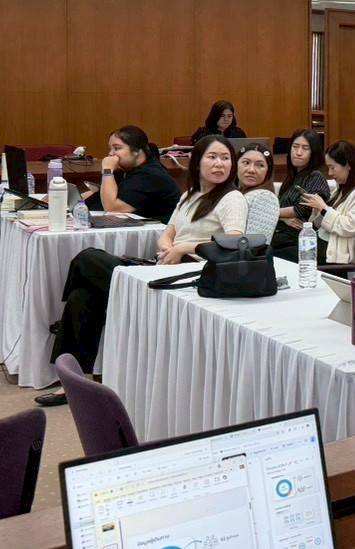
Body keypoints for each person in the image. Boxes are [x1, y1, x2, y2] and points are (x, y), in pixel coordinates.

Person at [38, 136, 248, 405]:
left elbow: (234, 242)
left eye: (225, 158)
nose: (219, 164)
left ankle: (64, 328)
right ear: (197, 162)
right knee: (83, 296)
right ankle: (75, 382)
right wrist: (168, 247)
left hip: (193, 275)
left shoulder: (232, 198)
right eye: (212, 157)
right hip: (165, 267)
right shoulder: (190, 195)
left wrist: (184, 248)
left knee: (88, 258)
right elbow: (168, 233)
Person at [302, 140, 355, 268]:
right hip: (325, 241)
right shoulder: (343, 187)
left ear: (348, 165)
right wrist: (317, 209)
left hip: (338, 250)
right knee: (282, 245)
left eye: (332, 167)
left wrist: (323, 208)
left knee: (284, 252)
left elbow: (349, 226)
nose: (330, 173)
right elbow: (319, 224)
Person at [80, 125, 180, 222]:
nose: (110, 153)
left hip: (160, 230)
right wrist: (77, 199)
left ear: (136, 150)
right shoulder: (127, 170)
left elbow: (112, 208)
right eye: (110, 149)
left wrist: (107, 170)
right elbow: (101, 196)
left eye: (117, 148)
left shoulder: (151, 175)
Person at [272, 129, 331, 261]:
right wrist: (284, 218)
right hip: (283, 235)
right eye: (295, 146)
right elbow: (281, 207)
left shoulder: (315, 176)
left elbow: (303, 208)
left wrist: (273, 212)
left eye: (305, 148)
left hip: (300, 241)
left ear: (314, 153)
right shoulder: (292, 177)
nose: (298, 152)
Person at [237, 142, 280, 238]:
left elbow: (255, 243)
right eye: (246, 163)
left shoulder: (264, 197)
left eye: (260, 165)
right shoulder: (234, 193)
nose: (251, 170)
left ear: (268, 171)